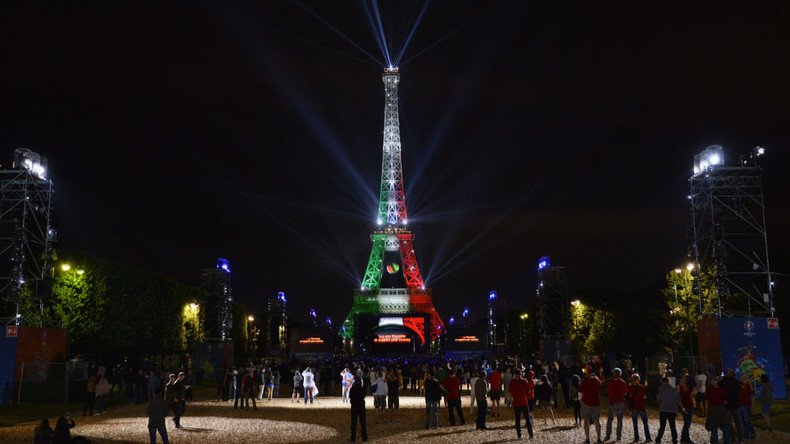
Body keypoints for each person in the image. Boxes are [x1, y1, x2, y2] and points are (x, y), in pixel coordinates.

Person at [655, 376, 683, 444]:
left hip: (663, 410)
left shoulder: (661, 389)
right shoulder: (674, 390)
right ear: (668, 382)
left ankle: (658, 439)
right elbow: (679, 400)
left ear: (662, 382)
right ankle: (674, 440)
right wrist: (683, 408)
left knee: (662, 426)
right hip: (672, 410)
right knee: (673, 426)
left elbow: (658, 399)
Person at [705, 376, 733, 444]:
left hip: (714, 411)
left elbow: (706, 401)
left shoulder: (709, 390)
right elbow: (726, 401)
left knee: (716, 430)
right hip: (720, 410)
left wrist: (707, 411)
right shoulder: (722, 389)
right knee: (724, 430)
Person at [509, 368, 534, 440]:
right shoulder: (524, 381)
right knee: (527, 419)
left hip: (516, 403)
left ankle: (519, 435)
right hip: (524, 402)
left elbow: (510, 392)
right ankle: (531, 434)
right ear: (521, 373)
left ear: (515, 374)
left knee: (517, 419)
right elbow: (528, 391)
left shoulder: (512, 382)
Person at [579, 367, 603, 444]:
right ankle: (599, 438)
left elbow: (580, 392)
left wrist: (580, 401)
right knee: (597, 421)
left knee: (586, 421)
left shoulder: (583, 381)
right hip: (595, 402)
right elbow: (601, 384)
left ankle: (587, 438)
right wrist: (595, 376)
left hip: (585, 402)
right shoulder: (596, 380)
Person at [604, 368, 627, 441]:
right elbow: (625, 393)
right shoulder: (623, 382)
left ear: (613, 373)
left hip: (611, 402)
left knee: (610, 419)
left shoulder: (609, 382)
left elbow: (608, 391)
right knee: (619, 420)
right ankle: (618, 436)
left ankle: (608, 435)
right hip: (620, 402)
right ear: (620, 374)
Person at [720, 369, 743, 440]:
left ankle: (732, 437)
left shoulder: (722, 382)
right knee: (738, 421)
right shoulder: (736, 382)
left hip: (727, 404)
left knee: (729, 422)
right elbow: (739, 391)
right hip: (735, 404)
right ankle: (740, 436)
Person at [628, 373, 651, 443]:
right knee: (645, 423)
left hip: (634, 407)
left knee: (635, 424)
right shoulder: (642, 387)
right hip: (641, 407)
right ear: (638, 380)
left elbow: (629, 397)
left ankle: (636, 438)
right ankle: (648, 438)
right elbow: (644, 397)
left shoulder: (630, 388)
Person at [349, 374, 368, 442]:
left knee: (354, 423)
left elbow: (350, 397)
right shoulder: (363, 389)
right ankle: (364, 438)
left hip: (354, 407)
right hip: (361, 406)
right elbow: (364, 396)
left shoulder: (352, 389)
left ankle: (352, 438)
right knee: (363, 422)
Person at [677, 373, 694, 444]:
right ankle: (686, 438)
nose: (685, 379)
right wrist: (682, 408)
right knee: (687, 423)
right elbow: (679, 399)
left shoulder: (687, 386)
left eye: (685, 378)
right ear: (680, 379)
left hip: (690, 405)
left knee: (687, 423)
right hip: (685, 407)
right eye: (683, 378)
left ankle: (683, 437)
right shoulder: (679, 388)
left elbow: (692, 393)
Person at [737, 374, 755, 439]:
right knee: (741, 420)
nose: (742, 378)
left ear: (746, 378)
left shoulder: (750, 385)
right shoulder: (738, 385)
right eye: (741, 377)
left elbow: (752, 396)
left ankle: (752, 431)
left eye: (744, 377)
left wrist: (752, 406)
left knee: (746, 420)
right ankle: (746, 434)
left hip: (746, 405)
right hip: (739, 405)